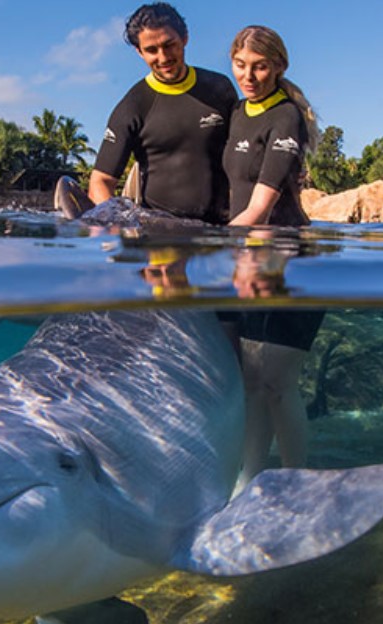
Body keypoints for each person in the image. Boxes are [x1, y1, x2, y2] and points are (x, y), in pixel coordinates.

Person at [220, 25, 326, 484]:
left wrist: (212, 246)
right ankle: (250, 484)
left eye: (260, 66)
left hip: (291, 260)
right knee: (251, 384)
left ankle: (296, 482)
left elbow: (260, 207)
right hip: (248, 259)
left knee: (278, 385)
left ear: (279, 66)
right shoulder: (236, 114)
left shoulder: (286, 117)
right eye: (241, 65)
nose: (250, 75)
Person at [58, 3, 238, 221]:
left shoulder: (219, 89)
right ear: (139, 52)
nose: (163, 58)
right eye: (152, 50)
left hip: (222, 231)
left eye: (169, 45)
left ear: (185, 38)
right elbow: (101, 181)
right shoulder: (133, 105)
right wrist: (113, 225)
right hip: (158, 236)